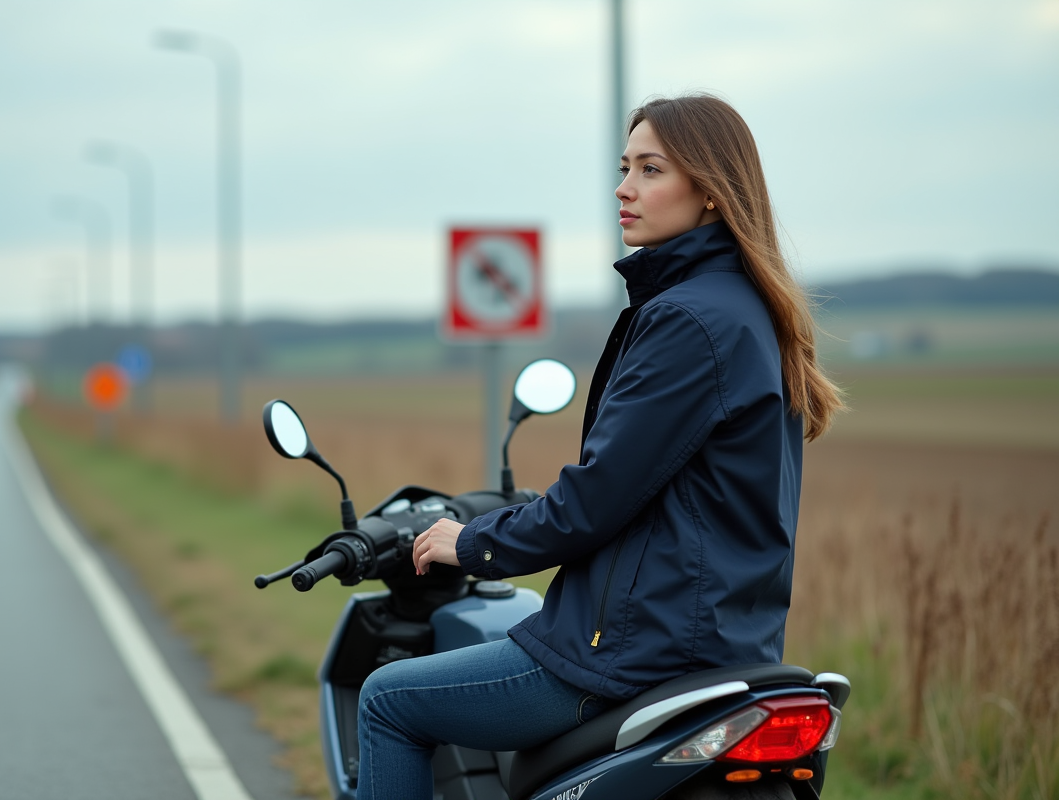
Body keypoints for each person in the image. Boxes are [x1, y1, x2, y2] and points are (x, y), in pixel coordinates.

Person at [356, 93, 845, 800]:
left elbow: (597, 497)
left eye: (650, 169)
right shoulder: (743, 309)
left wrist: (472, 545)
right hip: (722, 645)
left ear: (710, 192)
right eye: (625, 167)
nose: (624, 188)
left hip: (637, 654)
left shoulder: (686, 319)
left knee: (388, 700)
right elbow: (671, 491)